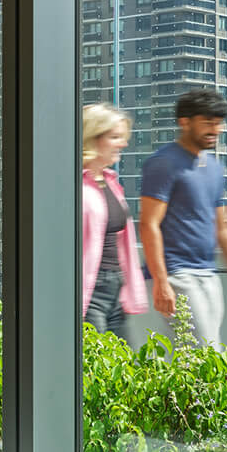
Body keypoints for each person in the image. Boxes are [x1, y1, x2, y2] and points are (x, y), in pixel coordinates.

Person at [139, 89, 227, 350]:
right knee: (205, 353)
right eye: (207, 122)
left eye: (218, 122)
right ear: (185, 122)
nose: (215, 129)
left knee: (203, 354)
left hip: (207, 273)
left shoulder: (215, 168)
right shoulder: (164, 163)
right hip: (177, 273)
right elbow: (149, 224)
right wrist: (161, 281)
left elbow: (224, 228)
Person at [80, 103, 147, 338]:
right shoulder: (75, 184)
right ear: (93, 138)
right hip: (90, 289)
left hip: (116, 288)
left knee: (124, 366)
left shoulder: (109, 182)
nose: (123, 143)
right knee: (95, 368)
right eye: (115, 137)